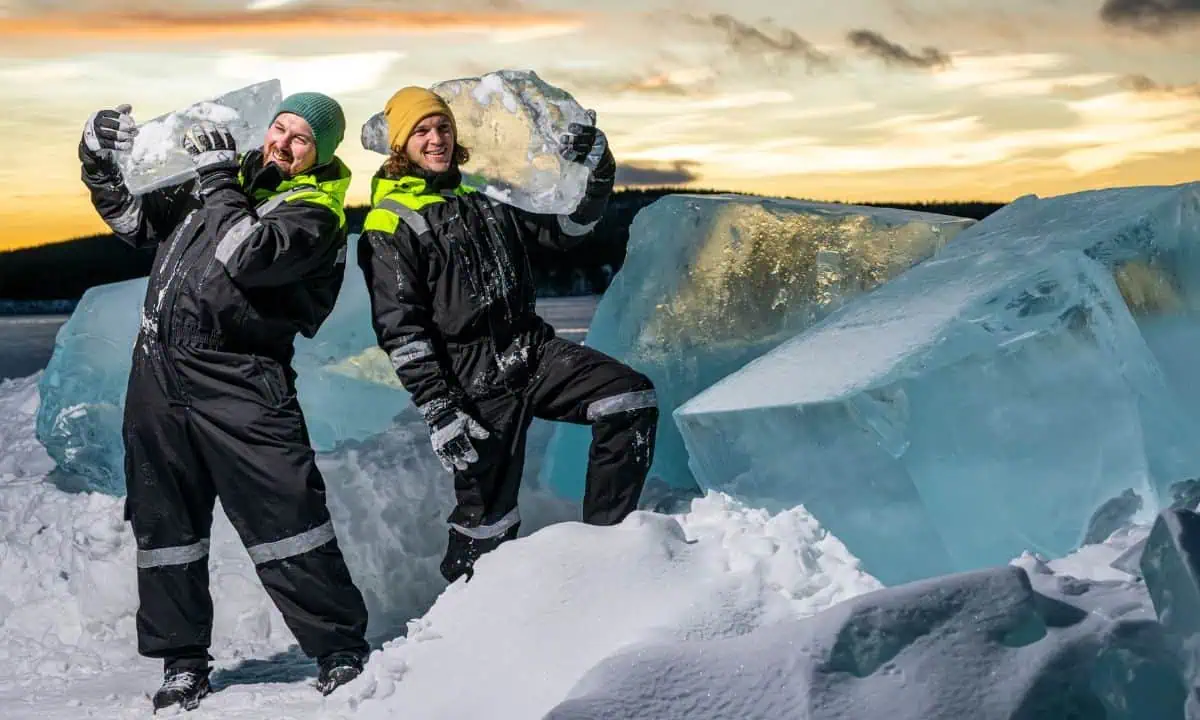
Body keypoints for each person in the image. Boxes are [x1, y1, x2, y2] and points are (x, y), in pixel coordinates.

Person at [78, 92, 370, 711]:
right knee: (167, 527)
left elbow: (249, 255)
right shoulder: (223, 185)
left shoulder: (315, 213)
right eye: (280, 128)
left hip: (241, 379)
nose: (282, 143)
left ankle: (339, 648)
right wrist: (98, 160)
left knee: (287, 516)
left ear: (320, 155)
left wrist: (217, 182)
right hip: (158, 376)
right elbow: (133, 221)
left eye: (301, 139)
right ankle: (182, 661)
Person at [358, 87, 658, 585]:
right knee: (488, 522)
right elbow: (400, 329)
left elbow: (567, 229)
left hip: (531, 350)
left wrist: (595, 169)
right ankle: (458, 626)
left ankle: (608, 552)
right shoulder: (390, 222)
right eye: (422, 131)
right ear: (400, 145)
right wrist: (439, 408)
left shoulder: (487, 197)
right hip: (471, 379)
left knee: (629, 399)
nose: (436, 139)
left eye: (443, 128)